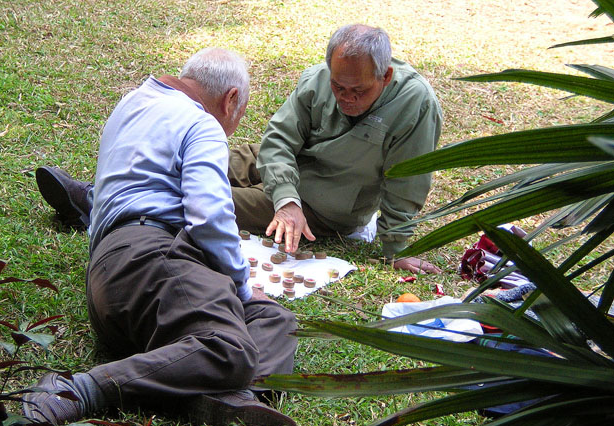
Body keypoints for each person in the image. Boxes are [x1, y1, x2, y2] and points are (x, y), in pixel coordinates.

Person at [23, 48, 298, 426]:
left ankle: (233, 397)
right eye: (236, 120)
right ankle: (78, 389)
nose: (231, 129)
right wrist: (240, 284)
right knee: (230, 348)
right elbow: (209, 218)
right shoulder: (200, 124)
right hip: (151, 258)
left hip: (111, 284)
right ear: (231, 99)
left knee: (275, 318)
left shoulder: (132, 102)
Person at [36, 24, 442, 274]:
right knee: (198, 160)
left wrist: (397, 249)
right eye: (339, 87)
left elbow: (407, 180)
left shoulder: (415, 105)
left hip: (326, 201)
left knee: (211, 198)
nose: (345, 98)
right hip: (281, 165)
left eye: (359, 91)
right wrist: (286, 196)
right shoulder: (319, 78)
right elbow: (280, 139)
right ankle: (99, 193)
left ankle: (97, 202)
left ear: (385, 76)